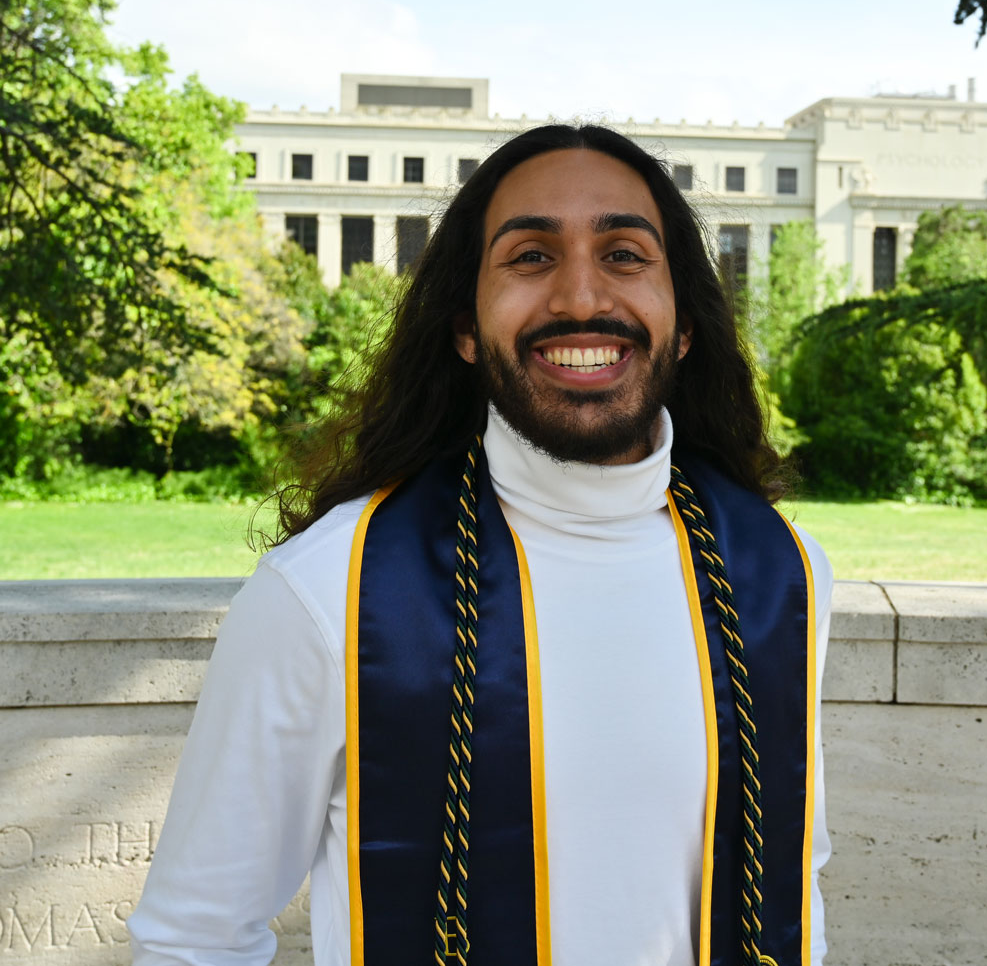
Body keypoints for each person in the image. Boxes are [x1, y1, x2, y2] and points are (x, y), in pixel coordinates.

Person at [129, 124, 833, 966]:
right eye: (530, 257)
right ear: (465, 326)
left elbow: (796, 886)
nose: (580, 296)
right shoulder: (331, 591)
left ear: (684, 323)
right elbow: (194, 936)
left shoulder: (781, 576)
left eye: (625, 254)